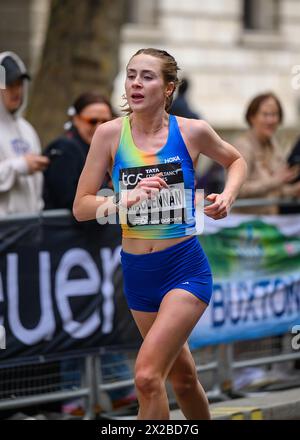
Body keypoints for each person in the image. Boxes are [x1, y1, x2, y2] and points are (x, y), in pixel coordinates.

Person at [73, 48, 247, 420]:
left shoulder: (191, 131)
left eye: (147, 76)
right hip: (138, 273)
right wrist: (124, 200)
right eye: (131, 74)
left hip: (183, 269)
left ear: (168, 88)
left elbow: (236, 160)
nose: (136, 83)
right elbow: (82, 205)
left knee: (148, 377)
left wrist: (228, 196)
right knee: (182, 379)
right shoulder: (108, 135)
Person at [43, 92, 113, 210]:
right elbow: (70, 202)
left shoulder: (104, 151)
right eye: (92, 121)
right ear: (76, 119)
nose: (99, 127)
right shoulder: (65, 149)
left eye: (105, 122)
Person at [234, 92, 300, 214]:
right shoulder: (243, 146)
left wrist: (293, 190)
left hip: (272, 222)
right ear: (252, 117)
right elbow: (237, 190)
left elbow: (275, 191)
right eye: (265, 114)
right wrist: (274, 181)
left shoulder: (274, 146)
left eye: (274, 115)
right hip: (246, 226)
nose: (270, 120)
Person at [0, 51, 49, 216]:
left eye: (19, 84)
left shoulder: (27, 129)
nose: (17, 91)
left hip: (29, 225)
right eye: (9, 85)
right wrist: (20, 165)